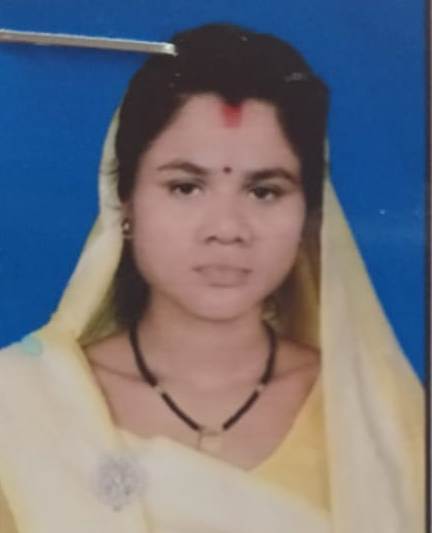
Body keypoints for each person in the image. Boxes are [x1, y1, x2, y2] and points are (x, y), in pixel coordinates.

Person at [0, 23, 423, 533]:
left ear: (309, 217)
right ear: (124, 202)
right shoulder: (21, 405)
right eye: (185, 187)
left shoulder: (382, 417)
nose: (227, 229)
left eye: (264, 192)